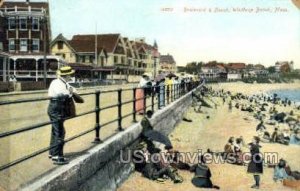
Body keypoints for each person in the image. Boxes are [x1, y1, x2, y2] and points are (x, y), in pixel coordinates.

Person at [48, 66, 76, 165]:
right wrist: (70, 92)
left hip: (57, 107)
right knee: (60, 131)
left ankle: (52, 152)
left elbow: (73, 90)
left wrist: (71, 91)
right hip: (56, 107)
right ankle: (57, 156)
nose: (71, 76)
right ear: (66, 75)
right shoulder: (57, 83)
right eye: (70, 75)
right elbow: (63, 94)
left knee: (55, 130)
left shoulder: (63, 83)